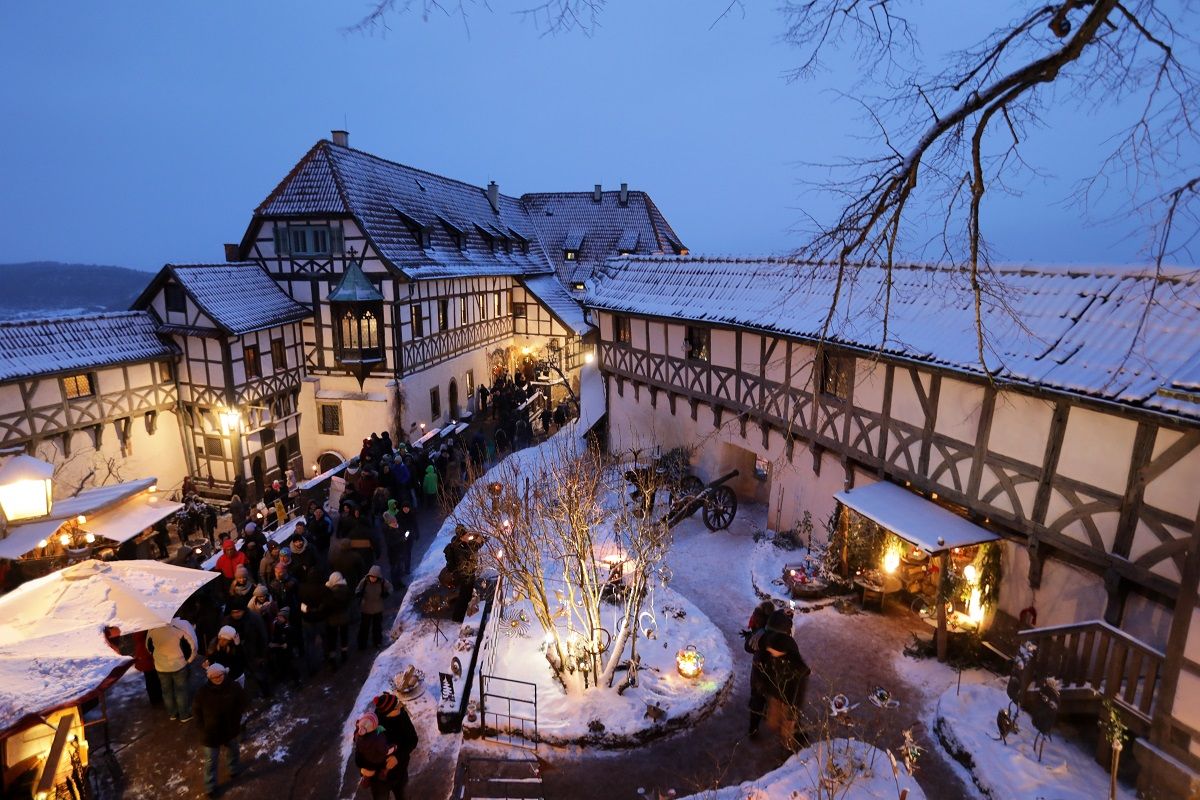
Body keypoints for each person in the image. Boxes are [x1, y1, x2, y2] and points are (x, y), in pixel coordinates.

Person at [748, 624, 810, 749]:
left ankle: (789, 752)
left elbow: (797, 691)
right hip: (776, 696)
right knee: (773, 722)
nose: (769, 650)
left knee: (787, 731)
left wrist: (791, 708)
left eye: (772, 649)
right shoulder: (773, 658)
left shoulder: (795, 668)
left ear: (782, 650)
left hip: (789, 702)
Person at [193, 662, 248, 799]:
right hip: (210, 734)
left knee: (233, 750)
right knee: (211, 761)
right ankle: (210, 787)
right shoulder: (202, 693)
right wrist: (202, 728)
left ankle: (233, 769)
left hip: (230, 728)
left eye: (220, 675)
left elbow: (243, 702)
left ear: (224, 673)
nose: (218, 678)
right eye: (214, 676)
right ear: (209, 677)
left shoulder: (234, 687)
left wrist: (237, 718)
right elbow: (196, 711)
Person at [147, 617, 199, 722]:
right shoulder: (181, 626)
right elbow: (193, 645)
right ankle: (184, 715)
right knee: (181, 690)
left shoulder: (152, 628)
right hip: (179, 665)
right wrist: (189, 660)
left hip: (161, 667)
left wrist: (157, 658)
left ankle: (172, 714)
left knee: (166, 691)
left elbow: (149, 646)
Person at [373, 692, 418, 796]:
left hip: (400, 771)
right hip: (379, 778)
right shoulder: (373, 724)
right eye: (396, 707)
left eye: (398, 703)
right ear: (387, 713)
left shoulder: (401, 715)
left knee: (401, 794)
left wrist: (397, 757)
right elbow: (363, 751)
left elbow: (413, 740)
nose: (400, 707)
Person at [354, 713, 403, 800]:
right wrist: (394, 748)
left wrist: (359, 725)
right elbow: (385, 751)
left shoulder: (358, 736)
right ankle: (383, 773)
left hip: (367, 758)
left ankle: (366, 778)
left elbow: (356, 742)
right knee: (388, 764)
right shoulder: (378, 738)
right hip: (377, 759)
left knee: (369, 770)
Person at [356, 565, 393, 650]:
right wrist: (359, 594)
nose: (373, 579)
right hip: (366, 608)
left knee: (377, 627)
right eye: (371, 576)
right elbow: (357, 589)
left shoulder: (383, 582)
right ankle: (362, 644)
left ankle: (377, 642)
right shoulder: (364, 581)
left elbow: (390, 588)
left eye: (375, 577)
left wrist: (386, 594)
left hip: (377, 608)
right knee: (364, 627)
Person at [323, 571, 353, 670]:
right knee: (344, 636)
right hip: (344, 617)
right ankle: (344, 654)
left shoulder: (329, 592)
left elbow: (327, 605)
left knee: (332, 639)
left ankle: (333, 660)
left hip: (332, 620)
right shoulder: (346, 589)